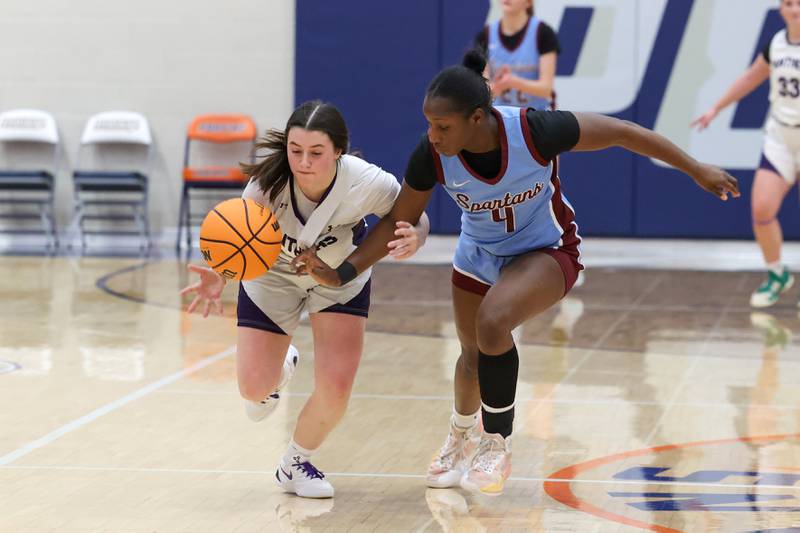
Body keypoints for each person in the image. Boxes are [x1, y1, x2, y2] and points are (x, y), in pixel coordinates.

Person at [291, 50, 739, 496]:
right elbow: (396, 221)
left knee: (494, 321)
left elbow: (622, 132)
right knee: (470, 357)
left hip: (546, 249)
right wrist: (340, 272)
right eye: (429, 124)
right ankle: (460, 437)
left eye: (443, 126)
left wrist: (696, 169)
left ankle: (496, 442)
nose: (433, 135)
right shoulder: (432, 153)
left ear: (478, 118)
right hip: (479, 252)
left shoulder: (536, 130)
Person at [181, 100, 430, 499]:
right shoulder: (265, 186)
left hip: (339, 277)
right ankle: (282, 367)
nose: (304, 161)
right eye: (295, 151)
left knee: (336, 387)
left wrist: (417, 234)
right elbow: (235, 241)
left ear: (339, 151)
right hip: (273, 275)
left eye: (316, 152)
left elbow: (411, 214)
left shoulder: (368, 182)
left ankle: (295, 463)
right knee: (253, 391)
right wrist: (219, 274)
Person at [693, 0, 800, 308]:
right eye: (789, 3)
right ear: (781, 8)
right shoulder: (777, 45)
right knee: (762, 209)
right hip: (780, 136)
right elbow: (751, 78)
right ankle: (777, 273)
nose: (794, 9)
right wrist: (716, 108)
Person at [475, 0, 559, 110]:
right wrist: (497, 87)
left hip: (535, 117)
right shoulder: (486, 35)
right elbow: (484, 91)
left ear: (528, 3)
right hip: (499, 117)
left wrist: (513, 82)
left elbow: (546, 89)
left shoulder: (543, 33)